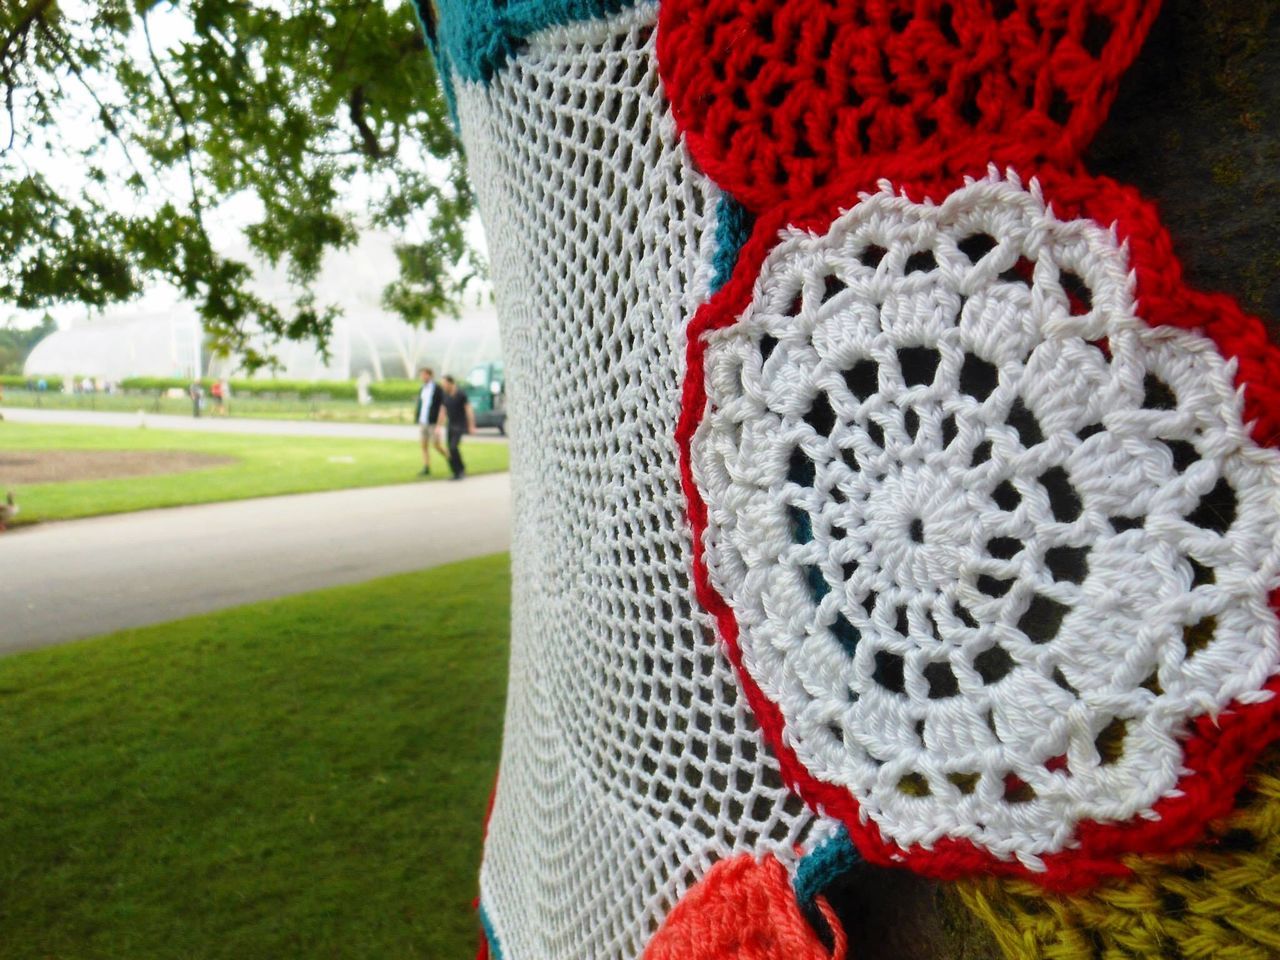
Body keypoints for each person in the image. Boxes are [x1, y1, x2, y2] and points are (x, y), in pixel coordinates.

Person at [435, 375, 475, 480]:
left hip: (460, 424)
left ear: (451, 383)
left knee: (453, 447)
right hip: (451, 424)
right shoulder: (445, 395)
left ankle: (461, 469)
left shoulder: (461, 394)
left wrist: (471, 425)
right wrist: (438, 426)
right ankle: (455, 472)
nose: (443, 386)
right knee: (449, 449)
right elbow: (442, 411)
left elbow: (468, 410)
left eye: (445, 384)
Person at [413, 367, 446, 475]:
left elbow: (443, 406)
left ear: (430, 375)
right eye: (421, 375)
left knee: (437, 445)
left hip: (433, 422)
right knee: (424, 445)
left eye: (424, 375)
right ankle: (426, 467)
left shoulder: (437, 388)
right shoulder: (422, 388)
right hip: (423, 421)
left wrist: (439, 424)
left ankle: (452, 460)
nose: (422, 377)